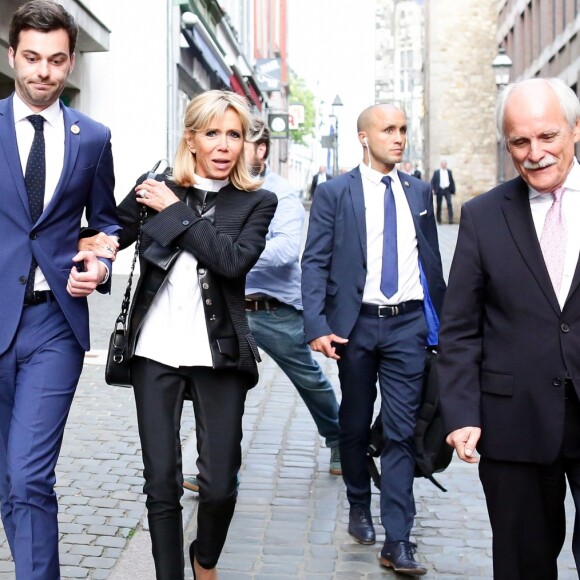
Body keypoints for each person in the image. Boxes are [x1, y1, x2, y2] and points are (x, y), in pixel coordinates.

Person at [86, 91, 277, 580]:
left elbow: (232, 261)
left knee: (218, 487)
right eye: (211, 133)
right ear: (190, 138)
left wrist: (176, 211)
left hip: (220, 354)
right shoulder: (153, 189)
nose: (223, 145)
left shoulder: (257, 201)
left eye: (233, 134)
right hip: (154, 351)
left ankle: (205, 558)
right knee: (161, 483)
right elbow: (108, 234)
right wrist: (97, 248)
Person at [437, 77, 580, 580]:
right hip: (513, 422)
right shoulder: (482, 215)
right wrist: (460, 412)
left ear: (576, 129)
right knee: (523, 566)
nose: (535, 153)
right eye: (520, 141)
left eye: (548, 137)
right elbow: (459, 328)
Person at [0, 2, 118, 578]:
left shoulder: (92, 138)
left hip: (54, 325)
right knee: (7, 479)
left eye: (55, 60)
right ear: (11, 56)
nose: (42, 72)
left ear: (70, 62)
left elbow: (107, 223)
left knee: (28, 474)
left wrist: (100, 263)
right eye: (31, 58)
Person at [301, 103, 445, 576]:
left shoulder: (419, 191)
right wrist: (318, 326)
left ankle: (398, 540)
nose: (398, 138)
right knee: (356, 422)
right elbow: (315, 261)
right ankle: (359, 504)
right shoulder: (335, 193)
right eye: (389, 130)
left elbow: (431, 264)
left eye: (403, 130)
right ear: (364, 137)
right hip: (355, 326)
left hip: (407, 327)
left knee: (403, 431)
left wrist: (440, 328)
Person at [182, 119, 342, 494]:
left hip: (272, 309)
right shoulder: (218, 187)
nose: (229, 147)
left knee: (309, 379)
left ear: (261, 149)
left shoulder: (281, 194)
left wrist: (231, 255)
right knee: (224, 389)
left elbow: (287, 252)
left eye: (238, 138)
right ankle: (217, 472)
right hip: (224, 305)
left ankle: (340, 442)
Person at [430, 160, 456, 224]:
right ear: (441, 165)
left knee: (449, 204)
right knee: (439, 205)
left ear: (446, 165)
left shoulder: (449, 172)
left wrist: (453, 190)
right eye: (442, 164)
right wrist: (433, 189)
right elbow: (433, 181)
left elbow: (452, 181)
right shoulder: (437, 172)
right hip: (439, 189)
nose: (444, 165)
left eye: (445, 164)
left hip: (447, 189)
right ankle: (439, 220)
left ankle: (450, 219)